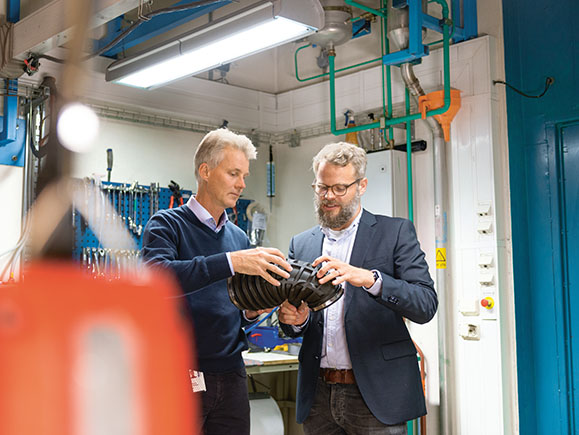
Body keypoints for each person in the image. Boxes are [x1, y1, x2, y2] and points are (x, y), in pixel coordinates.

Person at [278, 142, 437, 435]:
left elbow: (425, 304)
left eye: (340, 188)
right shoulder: (301, 244)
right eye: (322, 187)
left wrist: (369, 279)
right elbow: (295, 322)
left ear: (361, 185)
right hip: (318, 396)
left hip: (376, 396)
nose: (328, 197)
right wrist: (295, 321)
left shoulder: (395, 232)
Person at [142, 128, 292, 435]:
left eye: (244, 175)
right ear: (205, 171)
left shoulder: (237, 236)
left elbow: (236, 308)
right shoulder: (166, 224)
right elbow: (159, 278)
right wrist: (230, 262)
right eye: (234, 173)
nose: (241, 184)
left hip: (232, 373)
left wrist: (252, 310)